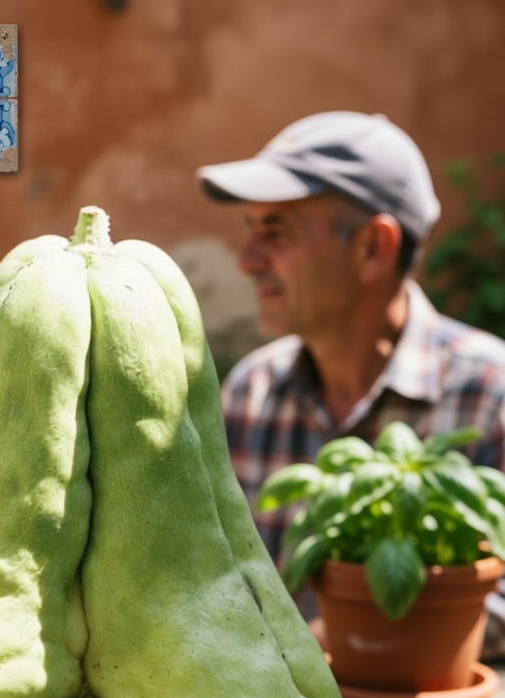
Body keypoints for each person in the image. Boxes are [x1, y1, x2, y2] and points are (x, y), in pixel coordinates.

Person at [197, 111, 505, 646]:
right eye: (251, 229)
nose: (246, 261)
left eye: (276, 231)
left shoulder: (491, 393)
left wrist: (329, 645)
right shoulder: (251, 392)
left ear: (373, 248)